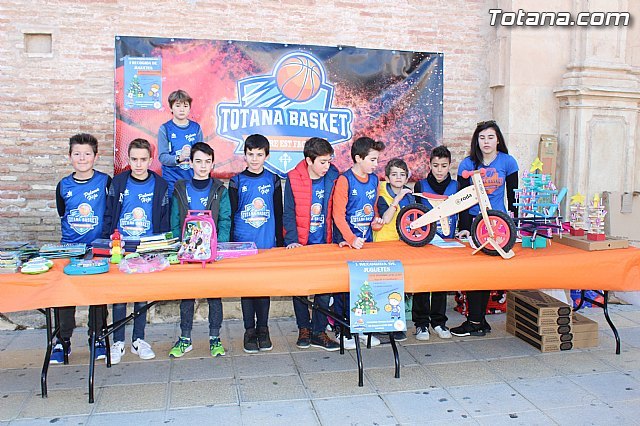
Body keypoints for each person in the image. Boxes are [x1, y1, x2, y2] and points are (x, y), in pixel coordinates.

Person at [102, 138, 170, 363]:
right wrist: (107, 241)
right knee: (120, 297)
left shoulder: (160, 185)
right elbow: (109, 213)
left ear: (151, 160)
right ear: (128, 159)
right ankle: (118, 341)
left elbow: (164, 219)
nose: (138, 164)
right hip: (121, 249)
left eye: (143, 159)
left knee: (141, 296)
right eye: (134, 159)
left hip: (146, 249)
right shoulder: (119, 182)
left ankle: (138, 340)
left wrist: (162, 248)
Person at [450, 120, 518, 337]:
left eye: (490, 137)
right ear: (476, 141)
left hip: (498, 226)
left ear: (498, 140)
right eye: (482, 137)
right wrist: (463, 227)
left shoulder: (508, 162)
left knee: (487, 273)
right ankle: (476, 320)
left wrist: (514, 226)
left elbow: (513, 197)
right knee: (473, 272)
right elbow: (461, 199)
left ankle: (478, 320)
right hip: (474, 224)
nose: (486, 141)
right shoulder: (467, 164)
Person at [50, 133, 112, 364]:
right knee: (65, 296)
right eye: (77, 154)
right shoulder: (63, 186)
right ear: (70, 156)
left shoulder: (105, 182)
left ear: (96, 156)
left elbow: (110, 212)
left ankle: (97, 338)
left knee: (97, 296)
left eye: (87, 154)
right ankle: (62, 340)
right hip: (70, 250)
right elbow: (62, 212)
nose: (82, 158)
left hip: (97, 249)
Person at [168, 142, 231, 358]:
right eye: (198, 161)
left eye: (207, 162)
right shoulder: (180, 188)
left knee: (214, 295)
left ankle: (215, 338)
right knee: (187, 295)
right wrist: (179, 246)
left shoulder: (220, 190)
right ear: (191, 163)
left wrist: (218, 246)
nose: (203, 166)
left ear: (212, 164)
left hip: (211, 254)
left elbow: (225, 220)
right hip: (188, 254)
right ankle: (185, 338)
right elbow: (175, 219)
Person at [284, 137, 340, 352]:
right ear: (309, 160)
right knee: (299, 288)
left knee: (324, 289)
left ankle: (319, 331)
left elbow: (337, 211)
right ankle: (303, 329)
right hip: (301, 244)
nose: (327, 166)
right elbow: (288, 212)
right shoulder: (293, 177)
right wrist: (292, 241)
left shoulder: (333, 176)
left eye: (329, 161)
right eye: (322, 162)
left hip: (324, 243)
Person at [229, 134, 283, 353]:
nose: (254, 159)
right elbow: (231, 214)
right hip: (243, 244)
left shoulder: (273, 179)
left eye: (259, 155)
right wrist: (230, 245)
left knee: (263, 288)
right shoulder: (236, 181)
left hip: (266, 243)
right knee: (247, 288)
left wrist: (280, 243)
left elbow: (278, 213)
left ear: (266, 156)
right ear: (245, 155)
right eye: (250, 154)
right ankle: (249, 330)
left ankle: (263, 329)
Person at [332, 136, 385, 349]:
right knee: (344, 288)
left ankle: (361, 327)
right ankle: (342, 330)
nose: (376, 164)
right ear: (358, 158)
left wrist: (376, 222)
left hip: (366, 243)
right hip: (347, 243)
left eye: (377, 159)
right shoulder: (344, 180)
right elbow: (338, 215)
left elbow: (373, 210)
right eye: (372, 159)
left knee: (364, 287)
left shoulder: (374, 180)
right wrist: (351, 239)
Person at [411, 146, 457, 341]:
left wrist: (464, 229)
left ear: (449, 166)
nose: (439, 170)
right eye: (436, 165)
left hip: (447, 242)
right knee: (423, 282)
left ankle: (439, 322)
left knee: (441, 282)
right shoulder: (420, 186)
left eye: (443, 166)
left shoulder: (456, 186)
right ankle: (421, 324)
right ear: (429, 164)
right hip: (426, 243)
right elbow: (415, 212)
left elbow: (463, 211)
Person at [372, 158, 415, 342]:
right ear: (387, 178)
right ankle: (380, 324)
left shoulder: (410, 196)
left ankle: (397, 325)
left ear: (407, 177)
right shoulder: (382, 194)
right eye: (394, 174)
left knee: (398, 288)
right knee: (383, 286)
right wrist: (397, 199)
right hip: (383, 244)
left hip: (401, 245)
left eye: (402, 174)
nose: (398, 178)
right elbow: (386, 218)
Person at [157, 89, 203, 198]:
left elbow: (202, 155)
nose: (182, 109)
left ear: (189, 108)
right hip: (172, 181)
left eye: (185, 106)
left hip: (192, 180)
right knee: (173, 208)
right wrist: (179, 158)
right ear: (171, 108)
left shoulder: (196, 128)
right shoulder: (165, 129)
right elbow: (162, 157)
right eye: (177, 105)